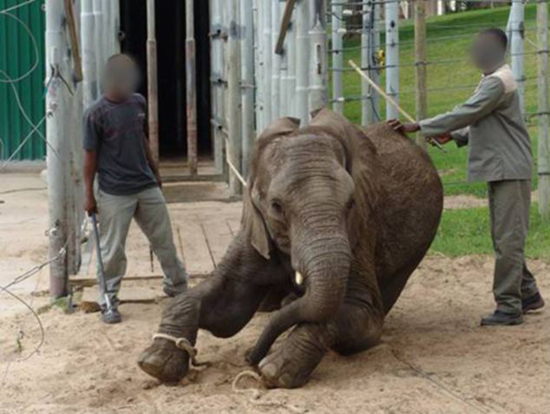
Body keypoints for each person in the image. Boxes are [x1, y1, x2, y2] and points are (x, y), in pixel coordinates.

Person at [388, 28, 544, 326]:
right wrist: (453, 135)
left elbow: (468, 111)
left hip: (508, 168)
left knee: (507, 239)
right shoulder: (493, 79)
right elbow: (481, 119)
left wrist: (420, 126)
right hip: (503, 167)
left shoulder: (498, 82)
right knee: (504, 236)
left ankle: (509, 307)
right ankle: (527, 293)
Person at [83, 54, 188, 324]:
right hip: (115, 191)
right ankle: (108, 298)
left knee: (164, 241)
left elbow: (141, 138)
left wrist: (155, 171)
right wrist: (88, 195)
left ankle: (178, 288)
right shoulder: (95, 114)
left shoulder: (136, 103)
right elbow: (90, 156)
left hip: (145, 185)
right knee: (112, 250)